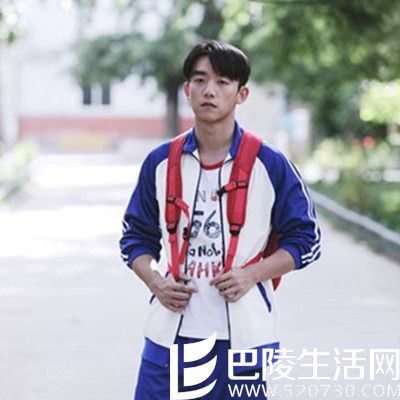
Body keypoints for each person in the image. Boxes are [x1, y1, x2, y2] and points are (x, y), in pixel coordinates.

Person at [119, 40, 321, 399]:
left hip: (244, 340)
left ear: (242, 94)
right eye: (200, 80)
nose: (209, 90)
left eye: (222, 82)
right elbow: (135, 237)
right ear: (187, 89)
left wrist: (252, 274)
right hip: (169, 338)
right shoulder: (160, 162)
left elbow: (307, 239)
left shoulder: (270, 164)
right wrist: (156, 282)